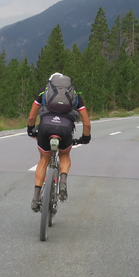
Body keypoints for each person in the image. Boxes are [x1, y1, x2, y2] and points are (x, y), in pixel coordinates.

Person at [27, 73, 91, 211]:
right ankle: (62, 182)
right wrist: (85, 138)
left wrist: (30, 130)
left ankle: (36, 198)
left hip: (45, 127)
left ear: (51, 83)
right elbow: (86, 122)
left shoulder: (44, 91)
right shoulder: (75, 94)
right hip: (65, 129)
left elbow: (31, 117)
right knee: (64, 155)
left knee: (44, 159)